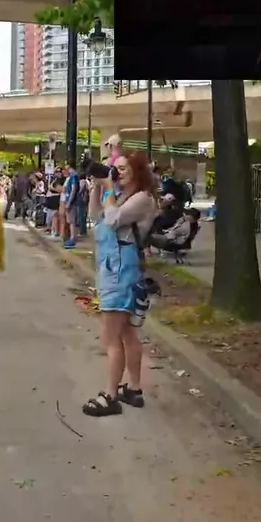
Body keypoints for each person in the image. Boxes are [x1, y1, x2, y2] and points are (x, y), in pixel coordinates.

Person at [82, 151, 159, 417]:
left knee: (112, 335)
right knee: (126, 333)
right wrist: (98, 187)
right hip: (112, 268)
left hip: (121, 271)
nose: (117, 172)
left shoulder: (142, 199)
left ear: (138, 171)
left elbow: (114, 219)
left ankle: (110, 396)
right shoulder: (120, 195)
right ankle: (134, 389)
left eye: (123, 168)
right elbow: (96, 216)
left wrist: (108, 188)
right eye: (115, 168)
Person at [60, 162, 79, 248]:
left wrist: (69, 202)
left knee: (72, 221)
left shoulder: (74, 176)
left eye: (67, 168)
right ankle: (71, 237)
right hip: (69, 201)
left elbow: (73, 190)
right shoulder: (71, 176)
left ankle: (72, 238)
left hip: (71, 202)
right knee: (70, 220)